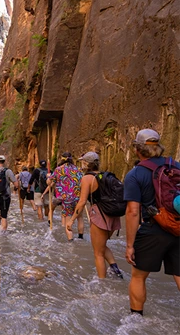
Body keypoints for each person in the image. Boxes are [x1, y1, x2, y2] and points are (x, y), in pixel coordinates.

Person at [123, 129, 180, 316]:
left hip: (153, 229)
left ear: (137, 149)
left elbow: (132, 212)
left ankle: (136, 319)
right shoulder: (176, 166)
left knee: (138, 276)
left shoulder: (135, 174)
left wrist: (130, 245)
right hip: (178, 227)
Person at [76, 151, 124, 279]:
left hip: (100, 216)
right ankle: (115, 270)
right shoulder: (106, 176)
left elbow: (82, 202)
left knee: (98, 253)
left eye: (82, 162)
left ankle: (102, 283)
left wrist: (71, 220)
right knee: (101, 246)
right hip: (113, 215)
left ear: (86, 164)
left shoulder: (87, 178)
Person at [49, 152, 85, 241]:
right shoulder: (78, 169)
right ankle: (81, 237)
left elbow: (49, 182)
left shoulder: (58, 169)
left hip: (66, 199)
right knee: (80, 217)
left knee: (68, 219)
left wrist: (48, 177)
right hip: (78, 197)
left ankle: (70, 240)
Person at [32, 160, 51, 224]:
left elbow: (31, 180)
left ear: (40, 164)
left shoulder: (36, 170)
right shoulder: (49, 171)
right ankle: (47, 220)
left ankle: (41, 222)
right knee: (47, 205)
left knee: (39, 206)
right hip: (47, 191)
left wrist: (28, 188)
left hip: (38, 190)